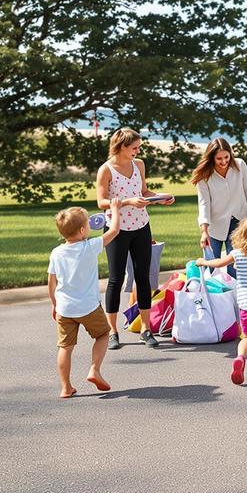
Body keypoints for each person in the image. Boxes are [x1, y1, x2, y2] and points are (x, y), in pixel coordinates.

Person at [96, 128, 176, 350]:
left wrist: (160, 198)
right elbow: (101, 202)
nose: (138, 151)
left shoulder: (139, 164)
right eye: (134, 148)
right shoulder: (106, 170)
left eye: (138, 147)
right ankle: (112, 332)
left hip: (141, 225)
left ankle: (146, 329)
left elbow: (143, 191)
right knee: (115, 279)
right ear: (121, 146)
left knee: (143, 277)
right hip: (116, 229)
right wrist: (128, 201)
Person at [48, 200, 121, 398]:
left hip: (64, 308)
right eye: (88, 224)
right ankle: (94, 369)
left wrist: (55, 305)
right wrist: (114, 210)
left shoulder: (56, 253)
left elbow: (51, 283)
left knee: (65, 347)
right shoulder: (90, 246)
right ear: (82, 230)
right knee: (103, 335)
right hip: (88, 307)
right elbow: (114, 231)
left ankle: (65, 387)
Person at [197, 215, 247, 385]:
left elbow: (219, 263)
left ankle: (240, 357)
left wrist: (203, 261)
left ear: (241, 234)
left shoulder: (237, 255)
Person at [192, 137, 247, 277]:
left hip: (239, 222)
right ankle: (212, 298)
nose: (223, 162)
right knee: (211, 268)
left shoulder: (240, 165)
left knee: (235, 266)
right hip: (215, 225)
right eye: (219, 158)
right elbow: (203, 203)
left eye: (226, 157)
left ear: (230, 154)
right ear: (211, 158)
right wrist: (204, 231)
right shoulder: (204, 175)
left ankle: (234, 298)